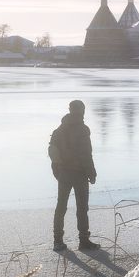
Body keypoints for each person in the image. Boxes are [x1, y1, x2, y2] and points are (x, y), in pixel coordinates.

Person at [49, 100, 99, 251]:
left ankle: (57, 241)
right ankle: (84, 241)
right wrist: (92, 173)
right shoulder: (83, 129)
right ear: (82, 111)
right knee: (82, 208)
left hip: (63, 173)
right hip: (79, 173)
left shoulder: (60, 128)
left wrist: (57, 171)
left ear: (70, 110)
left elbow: (52, 150)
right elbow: (86, 154)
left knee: (61, 207)